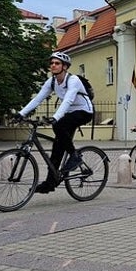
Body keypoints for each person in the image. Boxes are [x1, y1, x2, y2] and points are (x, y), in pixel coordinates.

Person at [15, 52, 93, 193]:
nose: (53, 66)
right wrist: (21, 113)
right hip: (68, 113)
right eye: (51, 63)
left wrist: (56, 117)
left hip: (84, 111)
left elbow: (69, 99)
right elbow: (37, 99)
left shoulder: (73, 79)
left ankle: (75, 156)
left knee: (59, 125)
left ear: (65, 66)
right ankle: (50, 183)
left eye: (57, 63)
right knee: (57, 149)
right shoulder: (51, 81)